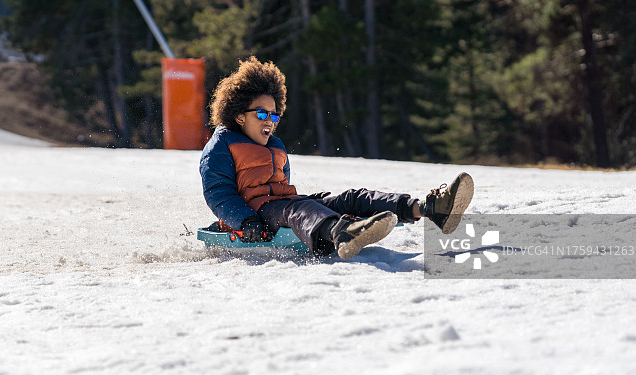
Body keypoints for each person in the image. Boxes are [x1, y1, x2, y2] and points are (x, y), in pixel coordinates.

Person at [199, 56, 474, 259]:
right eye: (261, 113)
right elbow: (219, 193)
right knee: (298, 210)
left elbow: (284, 188)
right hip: (255, 216)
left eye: (274, 114)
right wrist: (247, 221)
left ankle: (428, 208)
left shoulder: (276, 145)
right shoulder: (223, 144)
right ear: (238, 115)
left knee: (352, 198)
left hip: (286, 205)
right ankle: (342, 232)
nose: (269, 120)